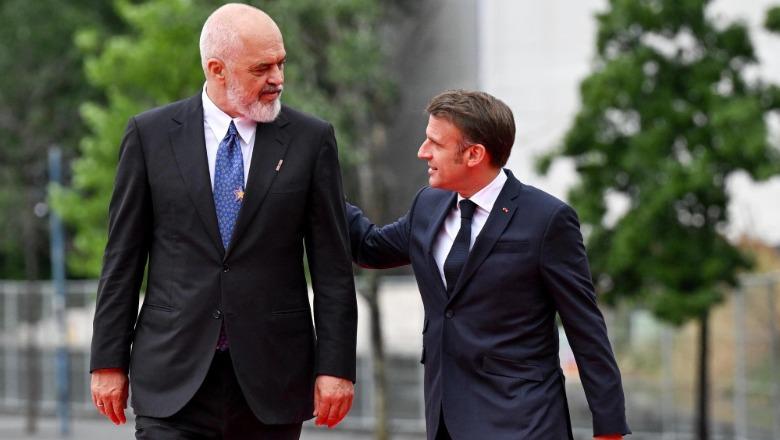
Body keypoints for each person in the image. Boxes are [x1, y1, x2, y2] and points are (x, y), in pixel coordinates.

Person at [89, 4, 357, 439]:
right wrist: (107, 360)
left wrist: (336, 367)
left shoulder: (311, 139)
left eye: (281, 63)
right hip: (172, 375)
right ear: (217, 69)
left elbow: (333, 269)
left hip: (272, 378)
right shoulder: (149, 136)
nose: (278, 78)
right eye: (262, 68)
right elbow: (122, 259)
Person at [347, 90, 630, 439]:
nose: (423, 151)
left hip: (524, 423)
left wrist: (609, 428)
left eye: (435, 143)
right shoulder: (427, 205)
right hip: (445, 420)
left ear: (474, 154)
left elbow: (586, 328)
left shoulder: (547, 219)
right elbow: (368, 248)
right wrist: (316, 183)